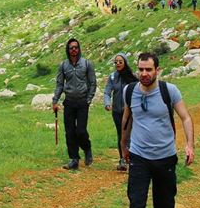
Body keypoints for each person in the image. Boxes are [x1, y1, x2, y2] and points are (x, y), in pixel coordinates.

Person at [118, 53, 195, 208]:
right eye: (141, 69)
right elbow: (127, 118)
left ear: (157, 70)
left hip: (165, 158)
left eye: (148, 70)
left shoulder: (168, 91)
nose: (144, 74)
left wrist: (190, 145)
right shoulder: (130, 91)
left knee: (164, 204)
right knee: (136, 203)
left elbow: (186, 117)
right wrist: (124, 145)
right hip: (139, 157)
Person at [52, 38, 97, 169]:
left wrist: (89, 99)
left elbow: (93, 83)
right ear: (68, 49)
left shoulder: (87, 64)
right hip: (69, 102)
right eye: (71, 48)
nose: (74, 50)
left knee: (81, 131)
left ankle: (87, 149)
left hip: (83, 102)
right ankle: (74, 159)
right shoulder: (63, 65)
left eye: (76, 47)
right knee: (69, 131)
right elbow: (60, 84)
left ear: (79, 49)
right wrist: (55, 100)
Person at [104, 53, 138, 171]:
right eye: (116, 62)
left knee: (129, 134)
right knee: (121, 134)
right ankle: (123, 159)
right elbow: (107, 92)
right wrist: (107, 103)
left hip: (129, 112)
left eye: (120, 61)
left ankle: (133, 159)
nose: (117, 64)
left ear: (125, 63)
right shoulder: (113, 77)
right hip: (117, 111)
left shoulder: (132, 77)